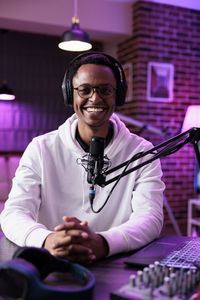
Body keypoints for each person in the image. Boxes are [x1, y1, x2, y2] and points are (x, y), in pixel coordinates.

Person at [0, 52, 165, 265]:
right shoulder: (41, 148)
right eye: (84, 90)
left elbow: (150, 219)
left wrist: (103, 243)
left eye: (105, 90)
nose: (95, 98)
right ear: (71, 95)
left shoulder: (142, 152)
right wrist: (47, 239)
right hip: (51, 262)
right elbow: (14, 213)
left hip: (115, 262)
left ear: (118, 95)